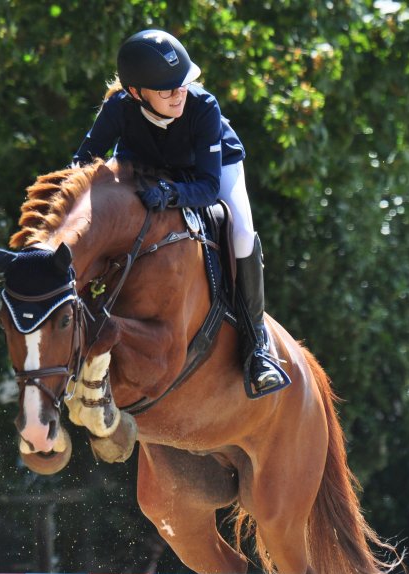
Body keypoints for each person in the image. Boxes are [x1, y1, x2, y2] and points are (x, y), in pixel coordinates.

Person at [73, 29, 287, 395]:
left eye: (183, 84)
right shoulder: (118, 108)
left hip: (206, 170)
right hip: (145, 165)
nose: (179, 94)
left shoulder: (202, 107)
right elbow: (82, 162)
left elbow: (206, 186)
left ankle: (257, 348)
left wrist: (170, 194)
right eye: (167, 90)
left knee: (239, 229)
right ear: (136, 93)